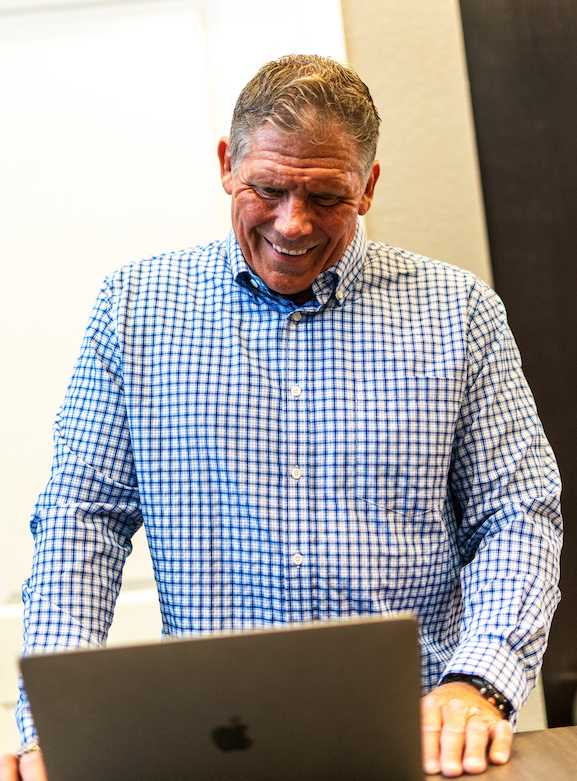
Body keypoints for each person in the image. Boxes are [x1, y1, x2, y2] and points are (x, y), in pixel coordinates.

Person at [0, 54, 562, 780]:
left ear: (369, 185)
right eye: (267, 189)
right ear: (227, 165)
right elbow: (83, 519)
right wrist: (55, 723)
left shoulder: (460, 313)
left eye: (326, 196)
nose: (292, 224)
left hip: (416, 739)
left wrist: (478, 681)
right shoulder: (134, 308)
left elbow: (516, 515)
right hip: (210, 741)